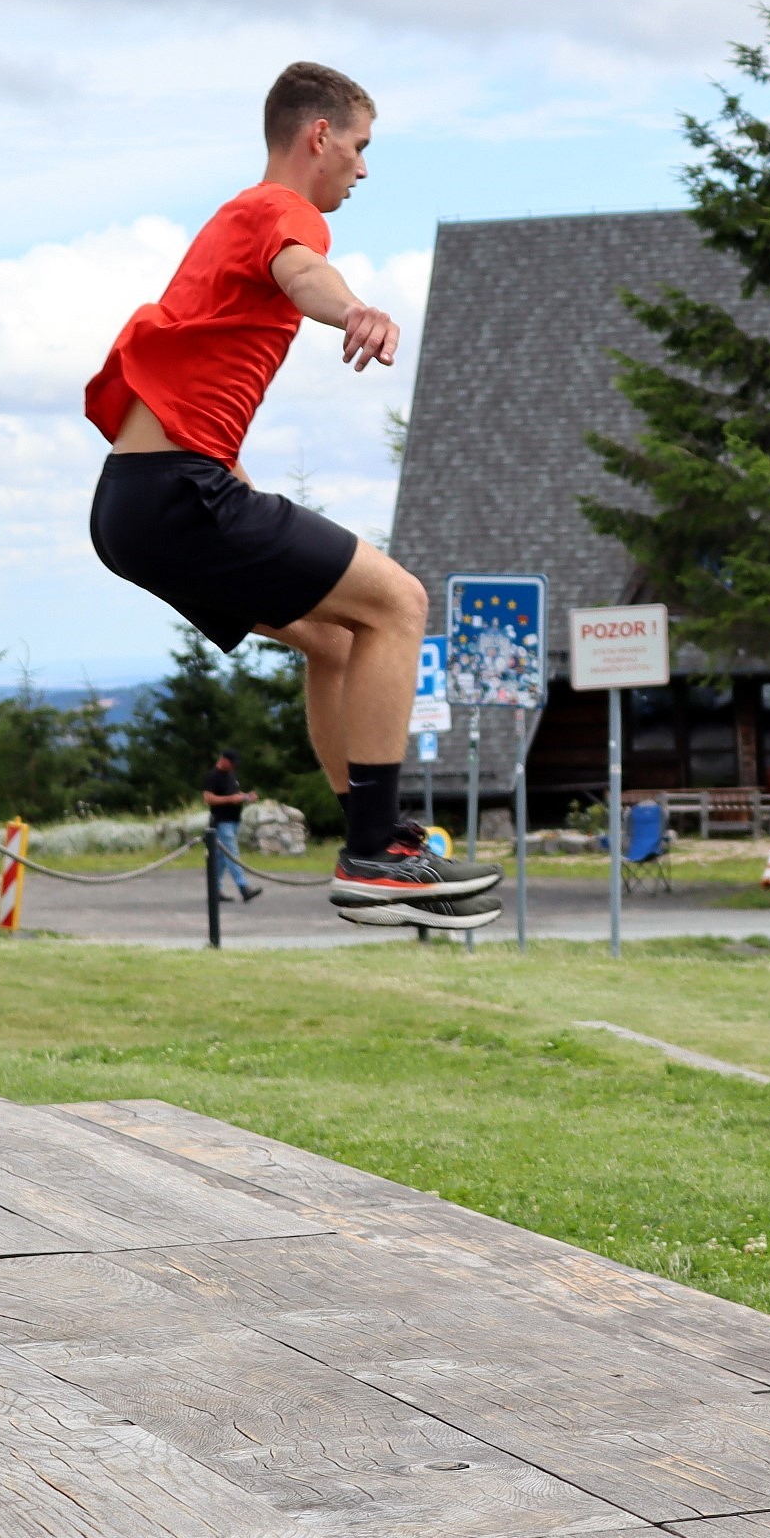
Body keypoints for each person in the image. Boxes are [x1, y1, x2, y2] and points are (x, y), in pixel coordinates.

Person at [84, 61, 499, 931]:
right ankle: (380, 852)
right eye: (359, 146)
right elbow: (304, 270)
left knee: (334, 640)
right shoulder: (281, 211)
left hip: (136, 505)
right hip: (173, 494)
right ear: (319, 137)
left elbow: (190, 372)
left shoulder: (228, 224)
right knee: (399, 603)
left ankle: (366, 840)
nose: (363, 167)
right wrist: (354, 311)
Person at [204, 748, 260, 903]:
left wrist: (245, 797)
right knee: (232, 854)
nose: (234, 766)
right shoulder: (213, 776)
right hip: (222, 822)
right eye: (232, 763)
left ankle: (214, 890)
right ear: (224, 760)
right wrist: (230, 799)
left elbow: (234, 792)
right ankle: (244, 888)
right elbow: (208, 798)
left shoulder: (231, 774)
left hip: (234, 820)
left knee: (221, 858)